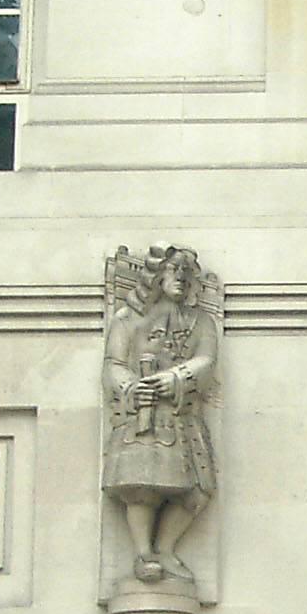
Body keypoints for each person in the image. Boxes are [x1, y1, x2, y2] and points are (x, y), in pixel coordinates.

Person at [104, 245, 218, 586]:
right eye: (174, 269)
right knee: (142, 485)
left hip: (182, 415)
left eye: (188, 272)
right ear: (157, 274)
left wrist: (176, 378)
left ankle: (165, 548)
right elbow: (114, 364)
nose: (181, 278)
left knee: (198, 490)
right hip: (145, 415)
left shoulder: (201, 321)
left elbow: (206, 360)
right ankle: (143, 553)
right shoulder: (128, 319)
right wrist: (130, 388)